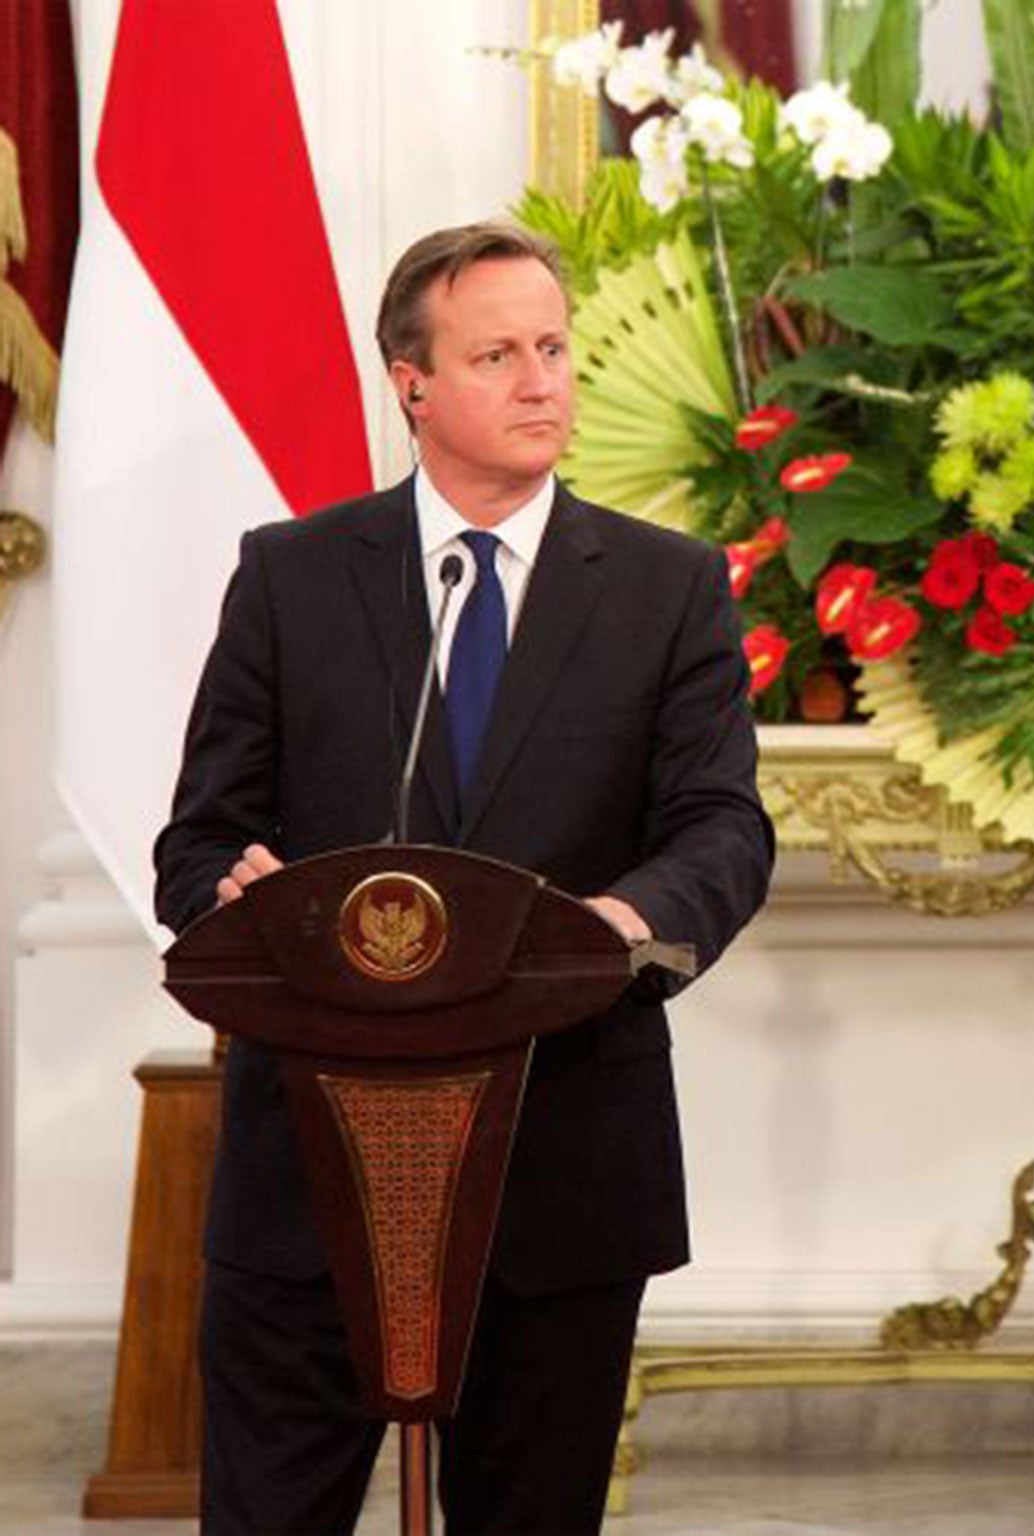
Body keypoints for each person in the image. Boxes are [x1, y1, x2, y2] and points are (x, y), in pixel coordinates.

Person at [154, 222, 774, 1535]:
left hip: (560, 1163)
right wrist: (232, 888)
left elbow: (723, 829)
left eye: (554, 348)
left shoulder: (668, 590)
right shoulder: (292, 576)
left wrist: (623, 917)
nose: (543, 381)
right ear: (411, 381)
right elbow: (199, 841)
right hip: (309, 1169)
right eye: (498, 354)